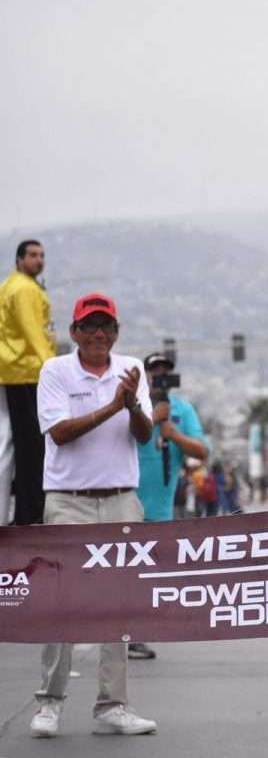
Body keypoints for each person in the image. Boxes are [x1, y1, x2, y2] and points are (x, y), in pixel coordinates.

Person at [29, 293, 156, 738]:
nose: (98, 334)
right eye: (89, 326)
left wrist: (133, 404)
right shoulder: (55, 371)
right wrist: (113, 406)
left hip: (121, 498)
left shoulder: (131, 369)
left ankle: (112, 705)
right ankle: (49, 703)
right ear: (74, 332)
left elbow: (144, 435)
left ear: (116, 333)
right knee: (63, 600)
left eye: (106, 326)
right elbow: (60, 433)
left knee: (118, 602)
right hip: (69, 500)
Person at [130, 351, 209, 661]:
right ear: (145, 375)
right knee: (130, 574)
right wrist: (150, 417)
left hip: (161, 509)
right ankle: (129, 636)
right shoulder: (132, 405)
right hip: (126, 502)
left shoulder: (183, 410)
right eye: (155, 372)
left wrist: (172, 433)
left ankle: (133, 634)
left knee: (149, 576)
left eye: (166, 373)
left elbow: (202, 451)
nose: (160, 378)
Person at [0, 239, 55, 525]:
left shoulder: (12, 285)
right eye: (33, 255)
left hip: (14, 371)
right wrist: (52, 367)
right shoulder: (24, 289)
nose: (39, 260)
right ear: (19, 259)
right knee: (32, 450)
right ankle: (29, 514)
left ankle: (23, 512)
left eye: (42, 255)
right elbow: (33, 332)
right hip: (27, 372)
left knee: (18, 447)